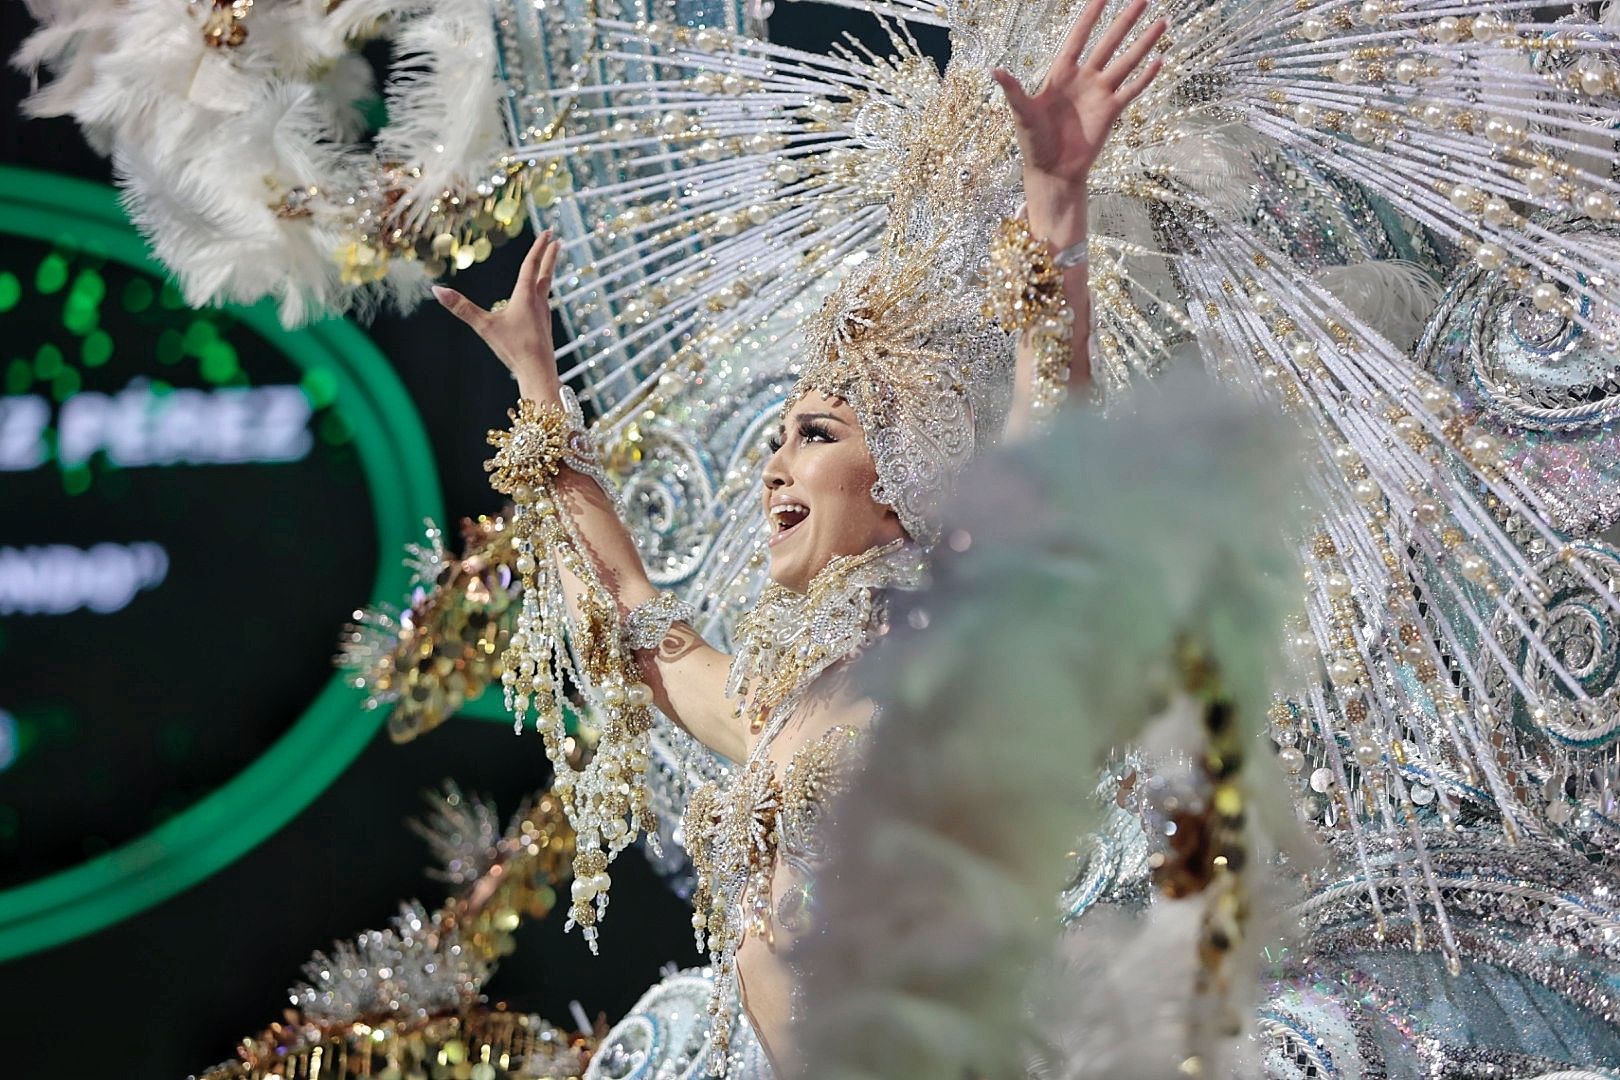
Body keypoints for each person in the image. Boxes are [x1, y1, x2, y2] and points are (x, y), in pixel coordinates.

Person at [431, 1, 1166, 1071]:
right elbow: (639, 619)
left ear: (897, 484)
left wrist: (1056, 205)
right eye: (775, 438)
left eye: (814, 434)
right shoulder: (779, 707)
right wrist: (539, 390)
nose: (773, 464)